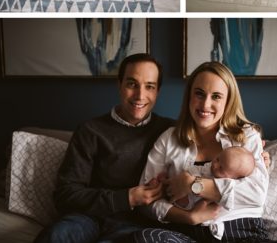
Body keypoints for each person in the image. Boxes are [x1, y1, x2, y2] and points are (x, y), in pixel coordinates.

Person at [35, 54, 175, 243]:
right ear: (119, 84)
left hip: (136, 224)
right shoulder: (90, 130)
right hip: (86, 218)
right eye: (132, 84)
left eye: (149, 86)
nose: (140, 95)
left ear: (157, 91)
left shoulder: (169, 132)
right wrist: (127, 198)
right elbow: (65, 194)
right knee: (56, 235)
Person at [131, 61, 270, 242]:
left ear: (228, 101)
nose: (205, 104)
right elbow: (147, 201)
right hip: (185, 232)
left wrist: (193, 185)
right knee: (146, 237)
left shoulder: (246, 136)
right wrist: (189, 217)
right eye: (199, 94)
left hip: (242, 231)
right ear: (189, 96)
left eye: (216, 96)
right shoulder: (169, 139)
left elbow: (256, 194)